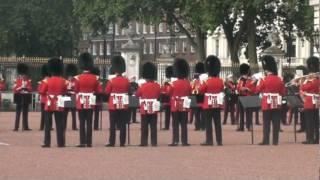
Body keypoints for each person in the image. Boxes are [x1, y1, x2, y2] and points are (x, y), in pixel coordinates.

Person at [256, 55, 286, 145]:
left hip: (267, 103)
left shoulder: (264, 79)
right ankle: (275, 141)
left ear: (266, 70)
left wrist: (258, 82)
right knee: (276, 122)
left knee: (266, 123)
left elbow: (257, 90)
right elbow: (282, 92)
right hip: (276, 102)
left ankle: (266, 140)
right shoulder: (279, 79)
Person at [75, 53, 103, 148]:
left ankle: (82, 142)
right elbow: (99, 90)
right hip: (90, 101)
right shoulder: (95, 78)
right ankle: (89, 142)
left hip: (81, 101)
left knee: (82, 122)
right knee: (90, 122)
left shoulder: (78, 78)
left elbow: (76, 90)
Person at [39, 58, 67, 148]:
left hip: (49, 103)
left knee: (47, 124)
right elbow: (65, 92)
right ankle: (61, 143)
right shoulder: (63, 81)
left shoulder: (47, 81)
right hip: (59, 102)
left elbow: (42, 92)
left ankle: (47, 143)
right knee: (60, 124)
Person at [199, 55, 224, 146]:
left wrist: (202, 83)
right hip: (217, 104)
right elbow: (221, 89)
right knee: (217, 123)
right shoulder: (220, 81)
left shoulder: (206, 81)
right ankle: (219, 141)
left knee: (208, 124)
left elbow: (200, 90)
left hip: (208, 105)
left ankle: (209, 141)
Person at [105, 56, 130, 147]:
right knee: (123, 123)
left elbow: (107, 92)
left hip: (113, 105)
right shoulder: (126, 81)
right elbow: (128, 90)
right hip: (123, 104)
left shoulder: (111, 81)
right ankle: (122, 142)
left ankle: (112, 142)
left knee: (112, 124)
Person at [136, 62, 161, 146]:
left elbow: (137, 94)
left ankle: (144, 142)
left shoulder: (143, 86)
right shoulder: (157, 86)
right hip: (153, 107)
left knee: (144, 126)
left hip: (145, 107)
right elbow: (158, 95)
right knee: (153, 126)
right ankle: (154, 142)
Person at [167, 58, 191, 146]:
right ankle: (184, 141)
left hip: (175, 105)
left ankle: (175, 141)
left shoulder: (173, 84)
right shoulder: (187, 83)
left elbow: (169, 92)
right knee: (184, 124)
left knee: (175, 124)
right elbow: (189, 92)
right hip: (184, 104)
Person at [300, 56, 319, 144]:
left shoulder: (314, 80)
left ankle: (310, 139)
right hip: (316, 101)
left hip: (310, 101)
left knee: (309, 121)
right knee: (315, 120)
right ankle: (316, 138)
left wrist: (303, 82)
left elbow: (305, 87)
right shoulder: (315, 79)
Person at [13, 63, 32, 131]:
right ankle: (16, 127)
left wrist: (26, 87)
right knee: (18, 113)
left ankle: (25, 126)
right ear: (21, 75)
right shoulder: (17, 81)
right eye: (23, 75)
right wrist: (21, 87)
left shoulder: (28, 81)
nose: (24, 76)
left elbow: (30, 89)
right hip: (19, 97)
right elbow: (14, 90)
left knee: (25, 113)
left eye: (25, 75)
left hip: (26, 97)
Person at [236, 63, 255, 132]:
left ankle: (249, 126)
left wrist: (247, 89)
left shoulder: (251, 80)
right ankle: (241, 127)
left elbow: (253, 90)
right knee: (241, 113)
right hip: (241, 96)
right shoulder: (240, 80)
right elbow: (237, 88)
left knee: (249, 113)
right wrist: (241, 89)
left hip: (248, 97)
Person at [191, 62, 205, 130]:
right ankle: (199, 126)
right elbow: (192, 89)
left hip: (200, 98)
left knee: (200, 113)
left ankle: (200, 126)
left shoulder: (200, 81)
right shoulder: (195, 81)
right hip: (198, 98)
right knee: (198, 114)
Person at [64, 64, 78, 131]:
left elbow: (77, 89)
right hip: (66, 97)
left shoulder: (75, 81)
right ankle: (64, 126)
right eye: (69, 76)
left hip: (73, 97)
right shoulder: (66, 82)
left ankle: (74, 126)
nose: (70, 77)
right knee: (65, 113)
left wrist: (72, 90)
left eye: (71, 76)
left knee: (73, 113)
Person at [38, 64, 52, 131]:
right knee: (43, 114)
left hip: (50, 100)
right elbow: (40, 91)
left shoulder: (50, 81)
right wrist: (45, 92)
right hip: (44, 100)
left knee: (50, 114)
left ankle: (49, 126)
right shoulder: (42, 82)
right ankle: (42, 126)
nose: (47, 77)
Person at [160, 66, 173, 130]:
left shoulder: (169, 84)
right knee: (169, 115)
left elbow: (166, 92)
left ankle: (167, 126)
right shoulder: (169, 84)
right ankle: (168, 126)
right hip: (170, 101)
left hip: (169, 101)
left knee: (168, 115)